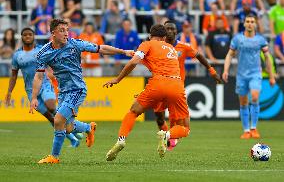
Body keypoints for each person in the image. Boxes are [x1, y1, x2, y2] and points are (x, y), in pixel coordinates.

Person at [103, 24, 221, 161]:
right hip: (177, 85)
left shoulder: (147, 44)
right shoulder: (171, 48)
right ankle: (167, 135)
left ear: (149, 36)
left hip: (158, 84)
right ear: (164, 37)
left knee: (133, 111)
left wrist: (118, 79)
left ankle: (121, 139)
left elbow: (134, 62)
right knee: (185, 128)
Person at [29, 19, 134, 164]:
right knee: (68, 127)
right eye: (62, 30)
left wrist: (123, 51)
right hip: (63, 92)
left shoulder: (75, 44)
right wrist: (34, 97)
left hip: (77, 89)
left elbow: (100, 48)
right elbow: (39, 76)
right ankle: (88, 128)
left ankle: (54, 157)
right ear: (53, 33)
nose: (66, 33)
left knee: (58, 120)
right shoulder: (43, 53)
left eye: (67, 30)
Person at [4, 27, 81, 147]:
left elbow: (53, 62)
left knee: (52, 107)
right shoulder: (17, 55)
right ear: (22, 37)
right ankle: (72, 138)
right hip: (31, 90)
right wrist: (9, 92)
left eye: (30, 34)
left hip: (44, 84)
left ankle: (73, 125)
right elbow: (14, 75)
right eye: (25, 35)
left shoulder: (42, 50)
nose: (28, 37)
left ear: (34, 36)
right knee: (50, 118)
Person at [153, 21, 223, 150]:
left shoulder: (183, 47)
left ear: (176, 32)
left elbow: (199, 56)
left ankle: (168, 141)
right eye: (166, 28)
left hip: (176, 88)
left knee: (178, 121)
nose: (169, 31)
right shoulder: (157, 46)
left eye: (171, 28)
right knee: (159, 117)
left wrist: (212, 71)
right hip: (161, 85)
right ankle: (166, 135)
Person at [222, 14, 276, 139]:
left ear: (255, 24)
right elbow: (230, 55)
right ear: (244, 23)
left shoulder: (261, 40)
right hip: (241, 75)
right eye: (248, 21)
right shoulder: (237, 39)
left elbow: (268, 58)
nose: (250, 23)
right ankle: (246, 130)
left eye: (252, 21)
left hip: (255, 74)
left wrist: (272, 76)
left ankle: (254, 128)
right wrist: (225, 70)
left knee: (255, 97)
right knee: (244, 102)